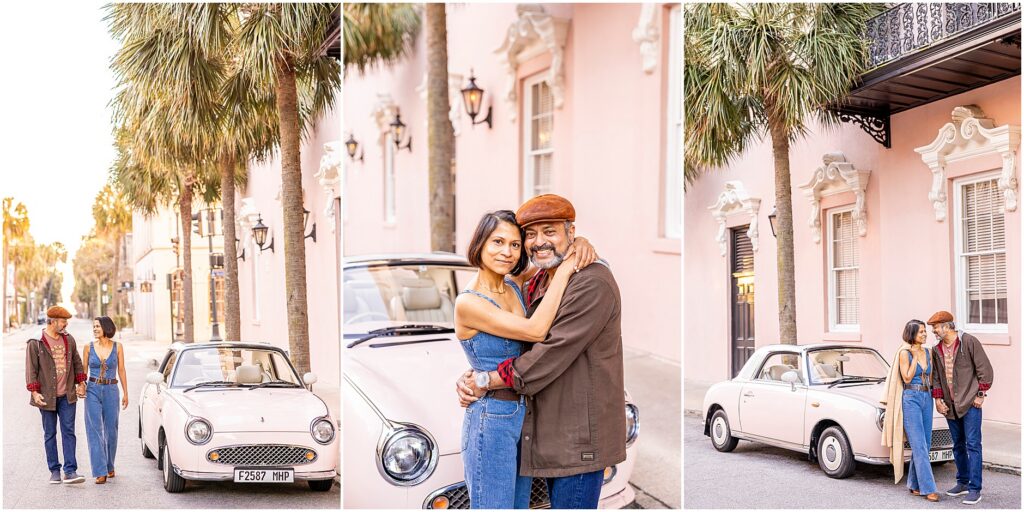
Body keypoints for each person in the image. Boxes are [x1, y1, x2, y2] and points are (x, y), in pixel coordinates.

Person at [458, 194, 626, 509]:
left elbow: (548, 352)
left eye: (550, 231)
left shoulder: (591, 283)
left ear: (571, 232)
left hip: (578, 442)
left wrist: (485, 380)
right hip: (542, 433)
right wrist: (474, 372)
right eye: (531, 235)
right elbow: (506, 342)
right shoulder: (538, 282)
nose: (539, 242)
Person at [928, 311, 993, 505]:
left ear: (947, 326)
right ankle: (962, 482)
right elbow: (937, 377)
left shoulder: (969, 342)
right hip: (950, 405)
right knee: (957, 445)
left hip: (970, 403)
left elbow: (985, 371)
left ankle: (975, 489)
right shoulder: (936, 349)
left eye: (936, 327)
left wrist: (981, 395)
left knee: (973, 445)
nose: (934, 331)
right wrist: (938, 400)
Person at [25, 306, 87, 484]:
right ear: (53, 321)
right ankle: (54, 471)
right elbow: (31, 369)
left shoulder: (68, 339)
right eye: (63, 321)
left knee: (69, 432)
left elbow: (76, 361)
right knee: (50, 433)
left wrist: (81, 383)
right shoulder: (36, 342)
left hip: (67, 395)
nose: (65, 324)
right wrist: (34, 392)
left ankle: (70, 471)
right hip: (46, 396)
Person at [882, 320, 939, 501]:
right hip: (911, 398)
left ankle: (914, 484)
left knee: (926, 444)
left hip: (926, 397)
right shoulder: (904, 353)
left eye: (925, 331)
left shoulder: (928, 352)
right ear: (912, 334)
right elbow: (906, 378)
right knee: (919, 445)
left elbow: (930, 378)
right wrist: (915, 357)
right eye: (921, 332)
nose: (924, 334)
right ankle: (928, 488)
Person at [82, 316, 128, 484]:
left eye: (97, 326)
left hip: (111, 389)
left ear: (106, 328)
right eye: (93, 326)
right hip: (92, 389)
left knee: (111, 430)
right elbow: (83, 371)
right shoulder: (88, 347)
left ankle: (109, 465)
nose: (94, 329)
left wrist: (126, 393)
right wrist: (80, 385)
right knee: (94, 429)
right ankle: (100, 470)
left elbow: (121, 370)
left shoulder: (118, 347)